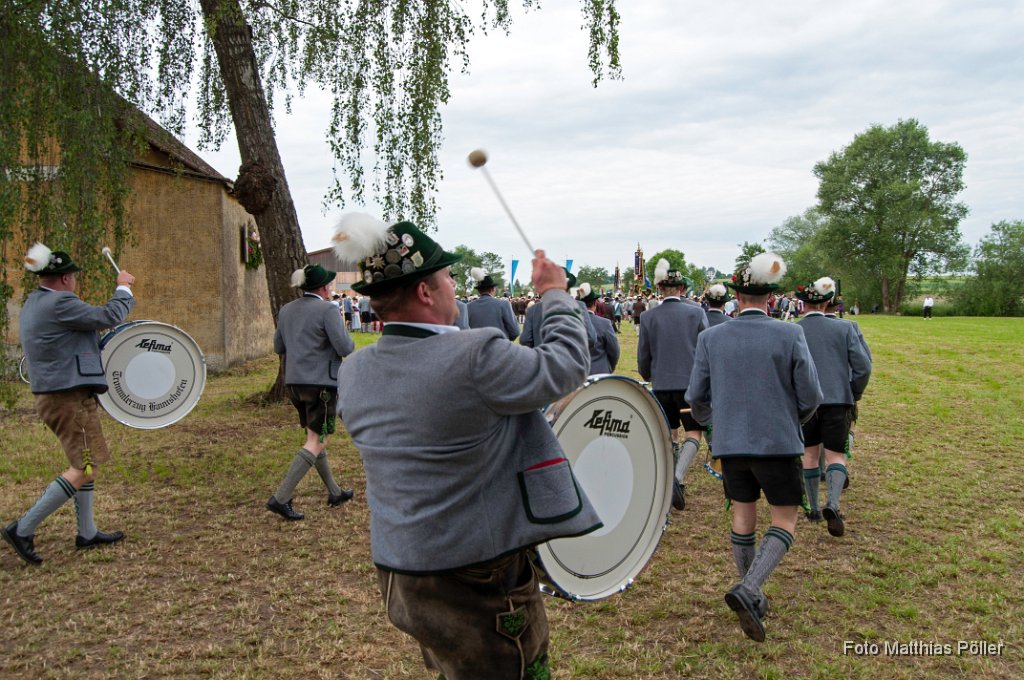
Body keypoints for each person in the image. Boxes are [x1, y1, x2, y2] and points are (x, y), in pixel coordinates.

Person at [333, 217, 601, 680]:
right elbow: (567, 366)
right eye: (448, 277)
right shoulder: (476, 356)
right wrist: (556, 294)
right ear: (425, 291)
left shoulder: (353, 371)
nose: (455, 285)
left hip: (401, 570)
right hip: (474, 571)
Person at [687, 252, 822, 642]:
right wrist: (790, 419)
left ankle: (750, 589)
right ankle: (749, 589)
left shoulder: (710, 337)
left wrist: (715, 424)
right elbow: (811, 395)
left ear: (736, 295)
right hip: (778, 442)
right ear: (769, 296)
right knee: (785, 520)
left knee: (743, 520)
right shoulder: (790, 333)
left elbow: (696, 397)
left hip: (730, 444)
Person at [3, 244, 136, 565]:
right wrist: (123, 287)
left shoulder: (36, 301)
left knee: (87, 464)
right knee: (82, 467)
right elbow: (108, 316)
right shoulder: (60, 303)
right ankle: (23, 528)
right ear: (63, 279)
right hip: (67, 399)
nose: (74, 281)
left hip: (63, 396)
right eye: (72, 276)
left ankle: (87, 532)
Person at [266, 263, 356, 521]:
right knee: (318, 439)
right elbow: (345, 346)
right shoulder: (327, 309)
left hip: (294, 382)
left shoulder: (286, 310)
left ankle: (335, 491)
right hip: (322, 384)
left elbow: (278, 347)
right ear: (324, 287)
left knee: (314, 435)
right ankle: (281, 498)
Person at [799, 281, 872, 531]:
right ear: (826, 303)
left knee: (809, 454)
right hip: (838, 400)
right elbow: (863, 366)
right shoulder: (846, 328)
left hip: (806, 402)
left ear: (804, 303)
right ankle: (833, 502)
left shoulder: (793, 330)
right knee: (836, 456)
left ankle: (813, 509)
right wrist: (853, 392)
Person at [637, 259, 709, 511]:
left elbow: (643, 354)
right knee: (694, 433)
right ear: (681, 289)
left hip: (661, 382)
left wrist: (647, 374)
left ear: (659, 290)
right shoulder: (697, 313)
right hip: (690, 383)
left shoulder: (648, 316)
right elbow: (705, 349)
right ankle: (677, 477)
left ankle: (671, 477)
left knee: (670, 433)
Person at [520, 268, 595, 349]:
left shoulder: (533, 310)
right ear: (568, 287)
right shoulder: (579, 306)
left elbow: (525, 340)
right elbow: (591, 338)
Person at [467, 269, 519, 340]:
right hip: (500, 347)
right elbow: (515, 331)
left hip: (477, 348)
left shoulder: (468, 307)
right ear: (493, 289)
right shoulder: (504, 304)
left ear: (479, 291)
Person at [580, 283, 620, 373]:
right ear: (595, 303)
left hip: (577, 375)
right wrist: (610, 367)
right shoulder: (605, 323)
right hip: (600, 373)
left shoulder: (570, 323)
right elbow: (614, 351)